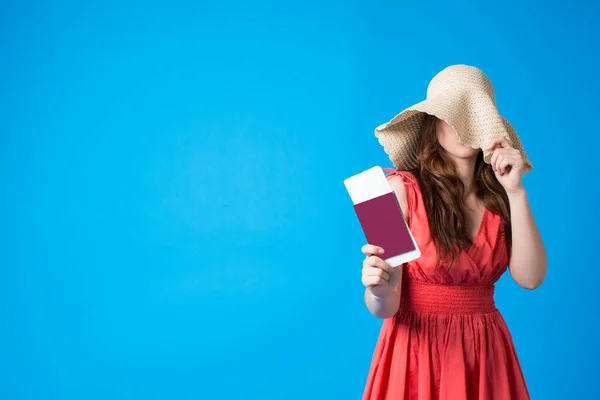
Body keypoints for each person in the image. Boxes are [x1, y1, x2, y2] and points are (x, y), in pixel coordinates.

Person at [360, 65, 547, 400]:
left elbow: (531, 279)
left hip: (485, 355)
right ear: (433, 123)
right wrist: (378, 288)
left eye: (473, 115)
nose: (463, 126)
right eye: (452, 115)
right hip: (413, 355)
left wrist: (517, 193)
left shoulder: (504, 197)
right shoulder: (388, 192)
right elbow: (383, 307)